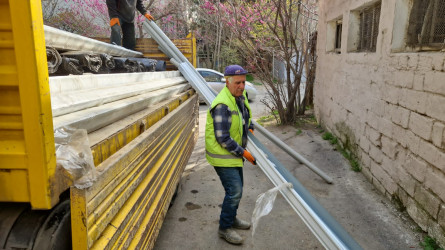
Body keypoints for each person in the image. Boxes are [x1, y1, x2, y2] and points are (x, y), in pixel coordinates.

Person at [205, 64, 257, 245]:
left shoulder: (238, 98)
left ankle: (231, 218)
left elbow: (244, 117)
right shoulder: (222, 105)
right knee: (234, 190)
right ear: (227, 82)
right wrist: (245, 153)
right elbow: (223, 138)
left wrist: (249, 126)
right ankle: (224, 228)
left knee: (238, 189)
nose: (242, 86)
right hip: (222, 155)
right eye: (238, 82)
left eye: (243, 82)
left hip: (233, 155)